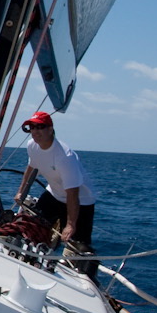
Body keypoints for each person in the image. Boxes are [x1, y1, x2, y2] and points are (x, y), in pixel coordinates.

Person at [14, 110, 98, 282]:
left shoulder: (64, 157)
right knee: (33, 226)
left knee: (78, 247)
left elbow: (73, 194)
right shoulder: (32, 145)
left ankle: (80, 279)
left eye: (40, 127)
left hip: (81, 202)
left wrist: (70, 224)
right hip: (54, 194)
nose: (35, 131)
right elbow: (32, 167)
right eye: (32, 127)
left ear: (51, 129)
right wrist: (22, 191)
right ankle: (34, 258)